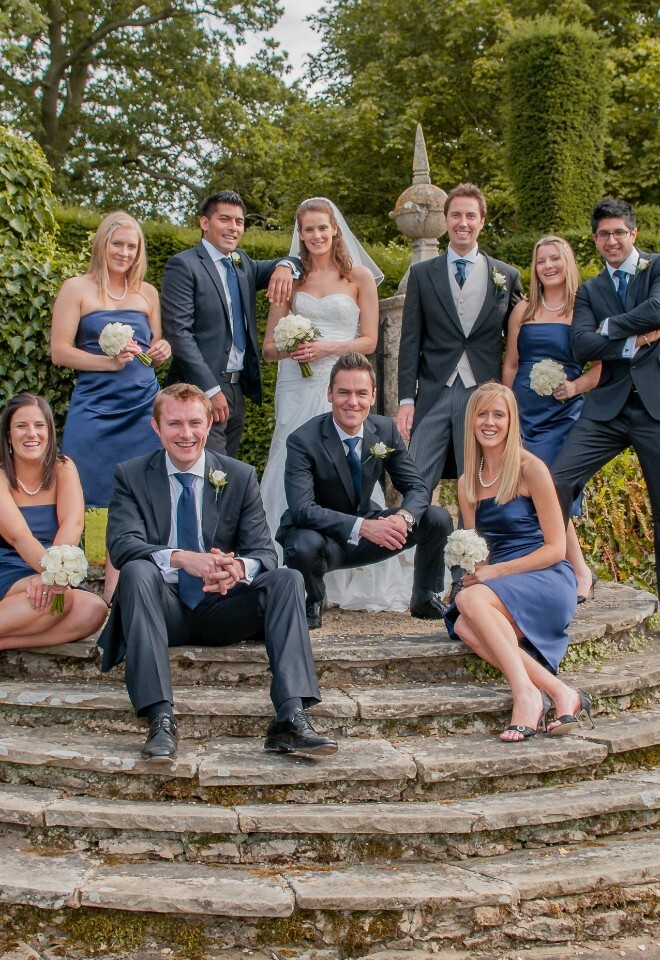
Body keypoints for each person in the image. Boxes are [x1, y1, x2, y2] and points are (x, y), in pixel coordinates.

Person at [97, 382, 337, 762]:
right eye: (174, 424)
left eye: (195, 422)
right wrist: (181, 558)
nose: (186, 434)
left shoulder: (238, 476)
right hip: (161, 609)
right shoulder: (132, 475)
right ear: (156, 427)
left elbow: (265, 552)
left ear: (209, 425)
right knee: (137, 572)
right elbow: (122, 544)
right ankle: (160, 718)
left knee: (288, 578)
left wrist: (238, 567)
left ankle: (290, 716)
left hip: (222, 607)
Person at [260, 197, 415, 611]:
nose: (315, 236)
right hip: (299, 383)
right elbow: (268, 348)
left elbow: (369, 341)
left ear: (335, 230)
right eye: (307, 229)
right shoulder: (289, 280)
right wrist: (291, 347)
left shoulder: (359, 277)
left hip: (343, 379)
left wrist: (329, 346)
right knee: (291, 466)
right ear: (300, 233)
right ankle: (294, 564)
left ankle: (356, 566)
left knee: (350, 467)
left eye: (322, 228)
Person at [444, 382, 590, 742]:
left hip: (545, 576)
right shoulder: (467, 483)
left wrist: (494, 573)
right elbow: (480, 548)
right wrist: (474, 569)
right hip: (501, 583)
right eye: (482, 414)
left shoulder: (531, 469)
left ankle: (525, 695)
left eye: (498, 414)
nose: (489, 423)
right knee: (464, 624)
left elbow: (557, 548)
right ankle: (560, 692)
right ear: (471, 421)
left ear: (511, 421)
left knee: (468, 604)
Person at [277, 352, 453, 628]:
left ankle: (425, 597)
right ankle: (311, 601)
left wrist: (402, 518)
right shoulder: (303, 440)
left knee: (436, 518)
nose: (353, 402)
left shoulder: (384, 430)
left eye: (361, 393)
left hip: (370, 537)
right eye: (344, 393)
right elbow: (302, 509)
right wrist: (363, 526)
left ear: (372, 396)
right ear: (330, 394)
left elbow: (416, 486)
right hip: (323, 540)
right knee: (301, 544)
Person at [51, 211, 171, 603]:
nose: (124, 252)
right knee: (80, 488)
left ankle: (123, 587)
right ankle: (67, 580)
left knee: (142, 491)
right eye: (117, 243)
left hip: (142, 407)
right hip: (95, 406)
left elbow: (153, 353)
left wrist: (161, 351)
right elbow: (60, 352)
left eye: (131, 246)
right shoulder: (76, 288)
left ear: (139, 251)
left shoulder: (147, 293)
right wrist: (108, 361)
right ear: (102, 244)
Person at [552, 198, 660, 579]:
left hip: (655, 407)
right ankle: (556, 576)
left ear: (632, 233)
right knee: (556, 482)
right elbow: (582, 345)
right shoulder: (590, 290)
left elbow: (658, 309)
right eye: (603, 234)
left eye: (618, 232)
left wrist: (610, 328)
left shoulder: (657, 266)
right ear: (595, 240)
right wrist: (638, 341)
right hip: (605, 411)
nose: (611, 240)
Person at [397, 183, 523, 491]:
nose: (462, 223)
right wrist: (405, 399)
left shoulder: (506, 276)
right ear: (446, 219)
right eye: (455, 215)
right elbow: (410, 340)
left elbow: (523, 339)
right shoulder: (422, 274)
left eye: (470, 215)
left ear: (481, 221)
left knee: (478, 485)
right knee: (415, 480)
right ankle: (412, 540)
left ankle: (475, 541)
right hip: (434, 391)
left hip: (483, 393)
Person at [161, 190, 302, 458]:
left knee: (225, 472)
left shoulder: (242, 264)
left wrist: (284, 265)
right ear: (205, 223)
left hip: (236, 390)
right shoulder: (183, 265)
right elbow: (178, 333)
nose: (233, 227)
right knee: (209, 472)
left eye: (239, 221)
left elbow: (294, 260)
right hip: (197, 390)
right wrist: (210, 390)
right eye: (225, 219)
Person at [502, 236, 601, 602]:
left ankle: (577, 569)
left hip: (563, 417)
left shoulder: (583, 311)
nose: (548, 266)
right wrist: (507, 411)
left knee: (553, 487)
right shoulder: (523, 310)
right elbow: (511, 363)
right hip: (525, 414)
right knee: (534, 492)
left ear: (567, 262)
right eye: (541, 260)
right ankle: (564, 568)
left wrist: (575, 387)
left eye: (554, 258)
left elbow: (602, 368)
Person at [0, 394, 107, 650]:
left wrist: (56, 573)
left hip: (52, 565)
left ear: (49, 430)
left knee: (94, 609)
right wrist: (49, 575)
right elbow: (19, 537)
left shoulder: (63, 467)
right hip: (8, 568)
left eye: (39, 425)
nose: (31, 433)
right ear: (8, 434)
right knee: (58, 598)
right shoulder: (1, 476)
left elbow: (72, 523)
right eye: (21, 426)